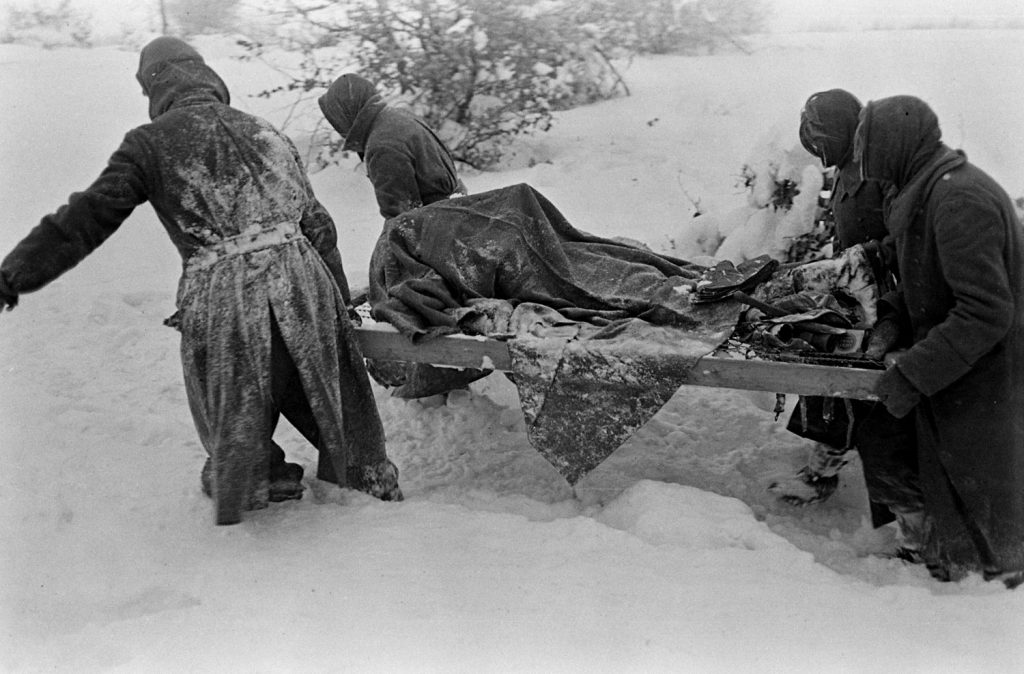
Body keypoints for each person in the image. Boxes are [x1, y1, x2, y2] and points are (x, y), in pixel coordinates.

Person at [0, 37, 402, 525]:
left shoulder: (149, 143)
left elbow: (85, 218)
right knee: (323, 377)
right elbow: (318, 225)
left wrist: (13, 276)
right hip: (302, 274)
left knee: (229, 384)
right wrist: (335, 304)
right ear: (209, 76)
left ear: (154, 87)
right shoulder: (264, 130)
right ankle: (366, 473)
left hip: (228, 287)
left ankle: (257, 474)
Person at [855, 95, 1024, 587]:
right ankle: (933, 549)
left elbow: (985, 310)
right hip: (967, 355)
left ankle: (978, 576)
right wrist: (891, 314)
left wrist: (912, 373)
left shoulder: (957, 200)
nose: (863, 152)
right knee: (883, 433)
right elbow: (931, 279)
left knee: (976, 478)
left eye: (870, 141)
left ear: (895, 144)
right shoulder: (929, 187)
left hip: (989, 367)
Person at [768, 89, 926, 555]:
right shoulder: (849, 165)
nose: (812, 145)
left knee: (884, 422)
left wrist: (886, 302)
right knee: (832, 389)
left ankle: (920, 538)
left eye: (817, 134)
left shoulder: (884, 171)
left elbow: (908, 244)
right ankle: (821, 474)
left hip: (897, 312)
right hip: (859, 302)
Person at [317, 73, 466, 220]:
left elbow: (402, 220)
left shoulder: (382, 145)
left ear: (348, 112)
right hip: (454, 212)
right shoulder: (396, 116)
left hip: (439, 222)